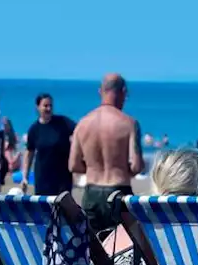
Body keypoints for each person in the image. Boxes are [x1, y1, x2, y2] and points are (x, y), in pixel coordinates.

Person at [69, 73, 144, 233]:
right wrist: (120, 168)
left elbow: (73, 165)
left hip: (91, 194)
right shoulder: (129, 124)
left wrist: (93, 166)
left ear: (100, 91)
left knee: (95, 249)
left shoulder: (82, 124)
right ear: (123, 92)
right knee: (125, 249)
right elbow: (137, 166)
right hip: (119, 191)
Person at [23, 93, 76, 197]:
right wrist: (25, 176)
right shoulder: (34, 129)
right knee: (44, 209)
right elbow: (29, 153)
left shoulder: (62, 122)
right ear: (38, 107)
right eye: (45, 106)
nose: (48, 108)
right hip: (43, 177)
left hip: (62, 177)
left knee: (63, 208)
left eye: (50, 106)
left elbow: (79, 131)